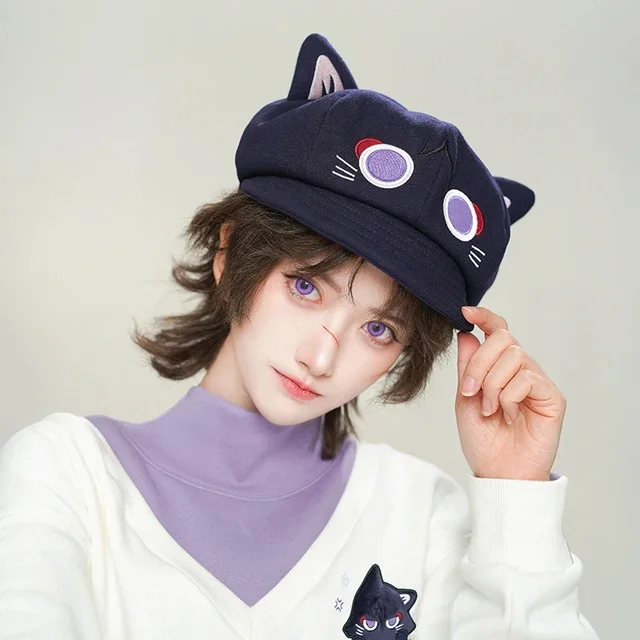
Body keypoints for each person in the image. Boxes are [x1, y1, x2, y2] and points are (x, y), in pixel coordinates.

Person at [0, 33, 599, 639]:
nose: (321, 356)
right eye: (306, 287)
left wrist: (515, 496)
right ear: (231, 254)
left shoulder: (421, 517)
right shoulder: (70, 479)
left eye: (378, 328)